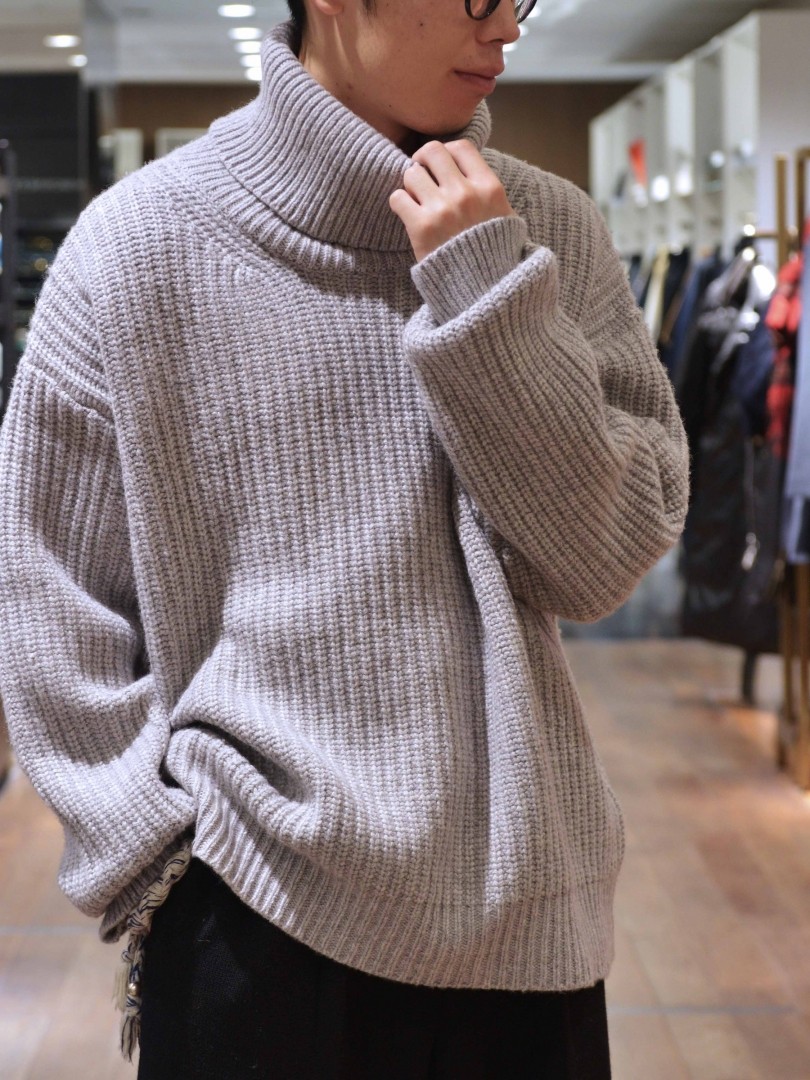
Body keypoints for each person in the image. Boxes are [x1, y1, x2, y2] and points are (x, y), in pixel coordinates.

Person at [0, 0, 690, 1075]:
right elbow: (52, 599)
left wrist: (486, 294)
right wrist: (159, 864)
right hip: (246, 924)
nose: (507, 28)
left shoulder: (547, 229)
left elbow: (604, 560)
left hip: (530, 927)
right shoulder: (138, 244)